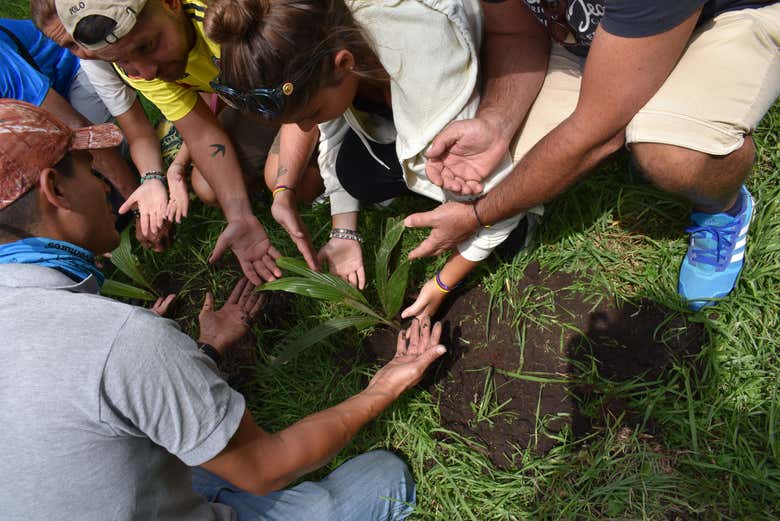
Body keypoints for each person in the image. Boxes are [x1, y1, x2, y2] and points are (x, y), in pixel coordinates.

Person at [0, 98, 446, 520]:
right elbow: (266, 467)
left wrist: (203, 354)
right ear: (55, 188)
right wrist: (382, 387)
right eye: (87, 168)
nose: (102, 185)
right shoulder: (118, 340)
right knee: (385, 479)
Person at [404, 0, 780, 311]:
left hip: (722, 19)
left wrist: (477, 216)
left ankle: (723, 207)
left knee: (672, 156)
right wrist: (496, 122)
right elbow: (515, 31)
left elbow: (595, 135)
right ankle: (638, 97)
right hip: (595, 39)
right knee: (500, 174)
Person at [204, 0, 543, 319]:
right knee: (353, 172)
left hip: (478, 94)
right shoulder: (324, 33)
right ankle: (428, 187)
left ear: (344, 63)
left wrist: (442, 283)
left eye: (310, 115)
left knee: (491, 216)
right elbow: (333, 128)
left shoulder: (424, 66)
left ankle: (518, 222)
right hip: (417, 112)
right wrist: (343, 233)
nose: (306, 128)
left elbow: (490, 190)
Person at [51, 0, 289, 284]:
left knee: (283, 178)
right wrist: (239, 216)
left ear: (171, 3)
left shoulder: (229, 17)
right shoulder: (136, 62)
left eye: (147, 46)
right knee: (209, 188)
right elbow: (201, 132)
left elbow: (304, 84)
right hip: (261, 95)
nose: (146, 72)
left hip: (304, 78)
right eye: (122, 61)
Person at [1, 15, 176, 251]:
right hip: (25, 118)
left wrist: (141, 209)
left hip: (69, 73)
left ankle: (155, 156)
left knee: (96, 179)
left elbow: (80, 132)